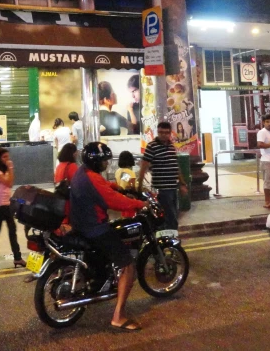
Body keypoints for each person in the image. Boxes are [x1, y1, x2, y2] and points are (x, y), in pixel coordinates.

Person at [69, 142, 144, 331]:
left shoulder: (83, 172)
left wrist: (114, 185)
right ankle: (118, 316)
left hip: (80, 224)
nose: (106, 164)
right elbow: (114, 202)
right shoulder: (93, 178)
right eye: (104, 161)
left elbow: (101, 187)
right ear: (96, 162)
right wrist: (139, 204)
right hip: (94, 228)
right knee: (127, 264)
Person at [137, 122, 188, 234]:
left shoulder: (171, 145)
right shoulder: (152, 146)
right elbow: (143, 167)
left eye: (166, 133)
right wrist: (139, 187)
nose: (164, 135)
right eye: (161, 132)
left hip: (173, 187)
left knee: (173, 214)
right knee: (169, 217)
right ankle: (170, 240)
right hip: (162, 189)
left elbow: (175, 166)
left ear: (170, 133)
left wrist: (182, 183)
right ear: (158, 132)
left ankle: (171, 239)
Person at [54, 143, 79, 227]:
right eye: (76, 152)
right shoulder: (72, 166)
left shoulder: (59, 166)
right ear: (73, 153)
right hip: (69, 199)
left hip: (59, 198)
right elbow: (77, 183)